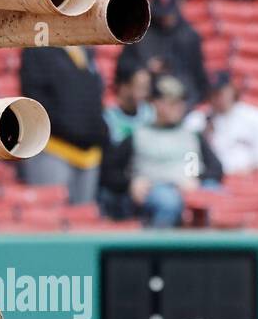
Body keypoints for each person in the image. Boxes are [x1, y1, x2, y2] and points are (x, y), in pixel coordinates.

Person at [101, 75, 223, 227]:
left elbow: (216, 168)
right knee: (168, 202)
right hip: (155, 188)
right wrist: (130, 184)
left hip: (188, 186)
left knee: (217, 195)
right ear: (156, 103)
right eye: (171, 102)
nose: (177, 107)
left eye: (180, 102)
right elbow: (109, 171)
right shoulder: (140, 135)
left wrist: (198, 179)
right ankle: (160, 249)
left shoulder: (191, 135)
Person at [17, 45, 109, 204]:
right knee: (50, 218)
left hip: (89, 153)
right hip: (52, 149)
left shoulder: (84, 50)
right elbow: (35, 99)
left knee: (83, 221)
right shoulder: (37, 49)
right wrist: (71, 127)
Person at [115, 0, 209, 107]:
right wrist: (145, 68)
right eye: (162, 13)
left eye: (169, 13)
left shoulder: (189, 36)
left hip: (182, 104)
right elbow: (122, 70)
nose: (165, 18)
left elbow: (199, 79)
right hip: (147, 104)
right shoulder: (140, 31)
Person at [185, 71, 258, 175]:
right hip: (210, 181)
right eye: (213, 92)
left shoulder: (255, 116)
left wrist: (251, 171)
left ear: (232, 90)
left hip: (247, 178)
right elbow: (189, 164)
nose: (218, 97)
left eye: (222, 92)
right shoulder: (196, 120)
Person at [99, 66, 153, 218]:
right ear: (123, 88)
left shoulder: (152, 115)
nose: (144, 93)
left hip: (149, 180)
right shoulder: (107, 119)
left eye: (146, 88)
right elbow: (106, 166)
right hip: (118, 186)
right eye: (139, 87)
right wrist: (128, 184)